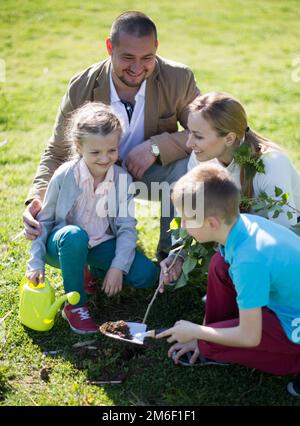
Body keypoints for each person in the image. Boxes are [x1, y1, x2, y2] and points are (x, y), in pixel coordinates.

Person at [23, 11, 200, 260]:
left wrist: (156, 147)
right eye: (128, 57)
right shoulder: (82, 85)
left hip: (150, 175)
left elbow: (203, 132)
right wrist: (36, 197)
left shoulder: (179, 78)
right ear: (109, 47)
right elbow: (57, 150)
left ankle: (172, 255)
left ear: (156, 47)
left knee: (188, 167)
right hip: (96, 179)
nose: (137, 68)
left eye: (147, 57)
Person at [157, 164, 300, 397]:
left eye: (186, 219)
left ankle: (295, 360)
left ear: (211, 223)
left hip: (293, 323)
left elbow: (249, 336)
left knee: (247, 340)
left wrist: (198, 331)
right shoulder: (242, 225)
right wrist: (202, 333)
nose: (182, 225)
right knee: (219, 264)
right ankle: (214, 343)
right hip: (285, 301)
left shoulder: (248, 261)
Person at [26, 102, 159, 334]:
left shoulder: (121, 179)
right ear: (79, 146)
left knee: (146, 275)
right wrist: (36, 262)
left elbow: (127, 227)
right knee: (75, 235)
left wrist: (117, 267)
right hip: (62, 244)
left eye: (112, 150)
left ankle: (93, 271)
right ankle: (75, 305)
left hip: (99, 242)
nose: (104, 158)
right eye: (95, 152)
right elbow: (44, 222)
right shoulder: (64, 175)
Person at [186, 91, 300, 227]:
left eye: (198, 136)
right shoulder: (200, 158)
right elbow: (190, 215)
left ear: (229, 138)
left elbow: (287, 230)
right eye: (189, 132)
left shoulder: (271, 163)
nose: (188, 143)